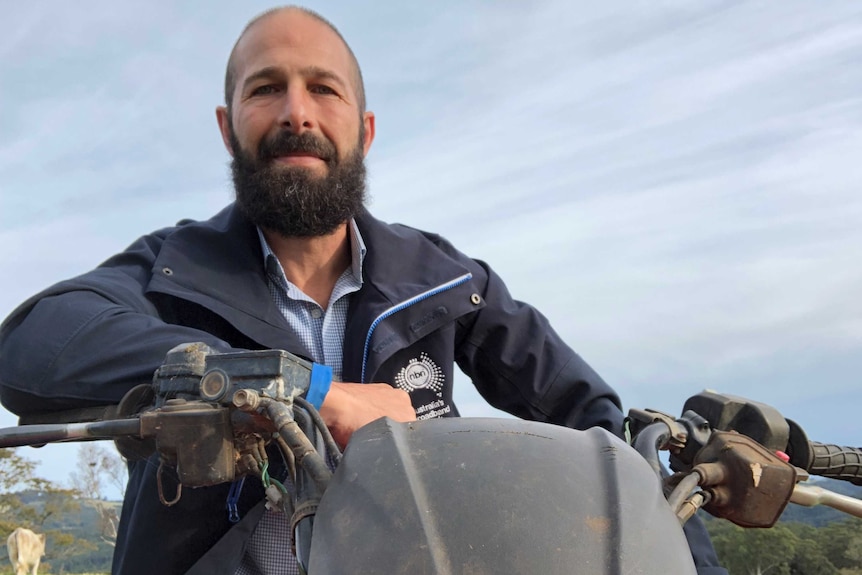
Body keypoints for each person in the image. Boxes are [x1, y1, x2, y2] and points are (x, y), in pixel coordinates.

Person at [0, 6, 727, 575]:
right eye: (265, 89)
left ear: (364, 128)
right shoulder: (172, 267)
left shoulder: (446, 279)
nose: (297, 113)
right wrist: (306, 388)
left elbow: (600, 423)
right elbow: (33, 341)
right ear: (228, 128)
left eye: (323, 87)